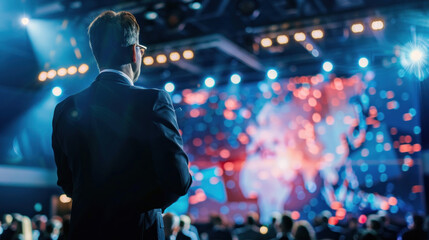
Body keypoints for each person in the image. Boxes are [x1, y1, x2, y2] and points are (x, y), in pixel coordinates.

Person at [51, 10, 192, 240]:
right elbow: (178, 179)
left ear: (97, 54)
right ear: (135, 52)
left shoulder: (64, 109)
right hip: (137, 230)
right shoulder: (153, 101)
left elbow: (67, 181)